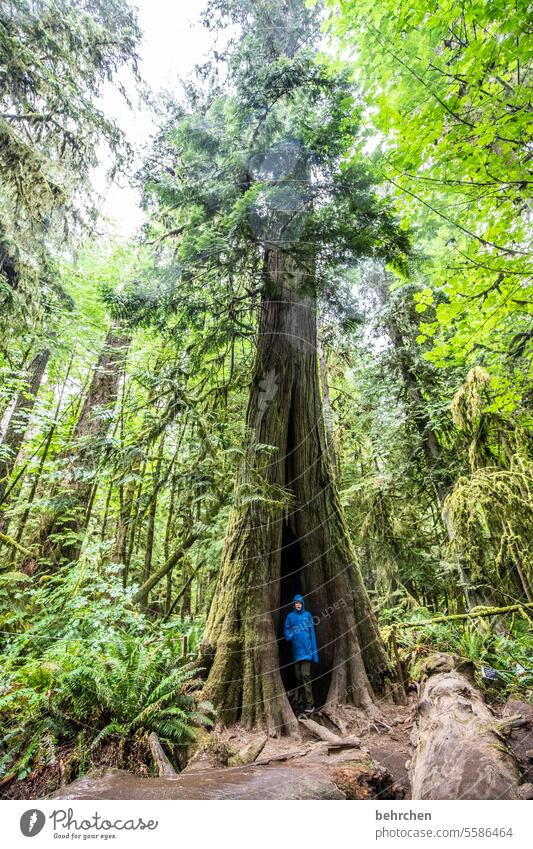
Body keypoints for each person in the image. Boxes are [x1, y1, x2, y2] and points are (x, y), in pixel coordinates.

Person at [283, 593, 318, 715]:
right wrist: (290, 636)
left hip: (307, 652)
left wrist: (315, 655)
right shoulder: (290, 616)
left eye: (300, 603)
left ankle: (310, 703)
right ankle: (299, 702)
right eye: (296, 603)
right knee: (298, 677)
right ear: (294, 604)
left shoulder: (307, 615)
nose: (298, 605)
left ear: (302, 604)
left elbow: (312, 633)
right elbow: (286, 629)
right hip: (296, 652)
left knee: (305, 675)